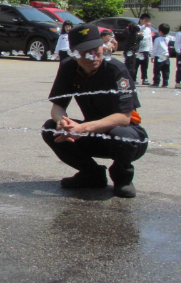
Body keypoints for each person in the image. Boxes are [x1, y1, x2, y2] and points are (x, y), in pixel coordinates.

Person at [41, 25, 148, 198]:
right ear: (74, 53)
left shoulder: (116, 70)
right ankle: (91, 174)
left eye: (96, 50)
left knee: (120, 134)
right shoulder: (68, 67)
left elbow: (124, 118)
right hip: (94, 135)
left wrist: (82, 129)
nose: (92, 56)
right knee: (50, 128)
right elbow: (58, 106)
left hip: (128, 136)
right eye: (85, 52)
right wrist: (63, 122)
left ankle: (123, 178)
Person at [135, 13, 154, 85]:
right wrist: (144, 26)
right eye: (145, 20)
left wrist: (151, 50)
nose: (147, 22)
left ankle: (144, 78)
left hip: (145, 49)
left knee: (145, 65)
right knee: (136, 65)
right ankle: (134, 78)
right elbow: (137, 36)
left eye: (148, 21)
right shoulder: (137, 27)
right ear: (141, 20)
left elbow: (150, 40)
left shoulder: (148, 29)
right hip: (138, 50)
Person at [151, 23, 171, 87]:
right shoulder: (168, 38)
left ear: (160, 31)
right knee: (166, 71)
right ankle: (165, 83)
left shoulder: (157, 39)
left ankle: (156, 82)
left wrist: (152, 56)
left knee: (157, 70)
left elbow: (155, 49)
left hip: (159, 57)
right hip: (166, 56)